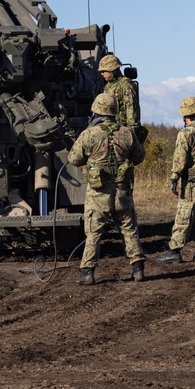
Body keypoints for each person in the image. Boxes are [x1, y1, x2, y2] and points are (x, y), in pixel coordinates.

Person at [67, 92, 147, 285]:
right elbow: (139, 157)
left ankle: (87, 272)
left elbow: (73, 159)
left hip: (98, 193)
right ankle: (138, 269)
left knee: (94, 233)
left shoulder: (89, 134)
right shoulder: (127, 132)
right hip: (122, 191)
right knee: (129, 229)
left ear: (96, 111)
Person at [155, 96, 195, 264]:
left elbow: (180, 159)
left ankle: (174, 251)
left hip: (192, 183)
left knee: (184, 216)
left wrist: (174, 177)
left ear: (185, 115)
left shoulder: (186, 133)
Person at [98, 54, 146, 142]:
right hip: (111, 130)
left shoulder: (126, 85)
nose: (102, 74)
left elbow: (132, 111)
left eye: (104, 71)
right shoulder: (108, 86)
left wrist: (132, 135)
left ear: (113, 70)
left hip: (123, 132)